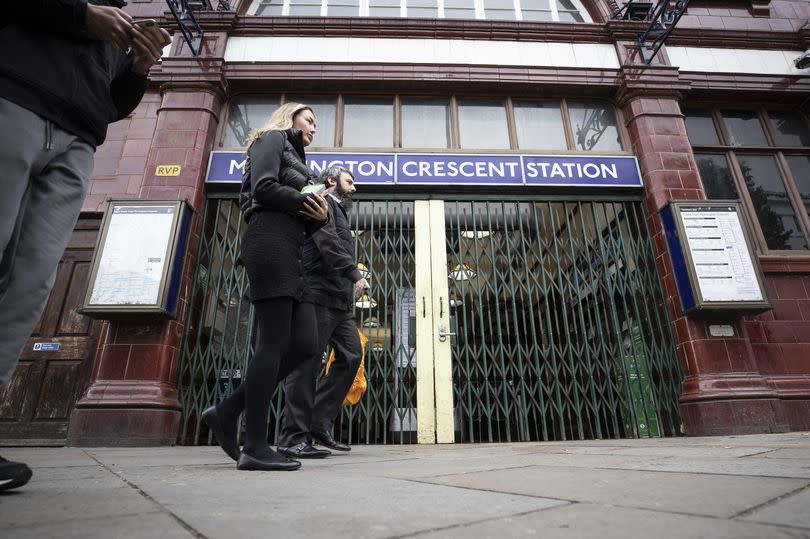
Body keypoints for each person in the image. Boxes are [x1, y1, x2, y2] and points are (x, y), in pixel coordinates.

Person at [0, 1, 170, 492]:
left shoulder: (122, 16)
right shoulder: (94, 13)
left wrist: (138, 67)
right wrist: (81, 16)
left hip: (79, 139)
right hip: (13, 98)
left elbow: (115, 102)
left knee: (31, 283)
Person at [202, 103, 363, 471]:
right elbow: (262, 187)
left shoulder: (301, 163)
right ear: (289, 118)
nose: (314, 127)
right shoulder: (270, 139)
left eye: (316, 123)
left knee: (306, 345)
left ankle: (228, 409)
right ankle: (255, 445)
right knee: (273, 344)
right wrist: (308, 201)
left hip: (293, 251)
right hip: (268, 241)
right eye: (309, 120)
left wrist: (317, 214)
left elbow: (305, 216)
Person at [277, 166, 367, 459]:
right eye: (349, 182)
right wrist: (355, 275)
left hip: (339, 301)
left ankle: (318, 422)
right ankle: (292, 437)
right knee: (308, 362)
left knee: (352, 355)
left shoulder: (339, 210)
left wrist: (348, 283)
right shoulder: (322, 201)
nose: (354, 188)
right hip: (317, 295)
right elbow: (327, 243)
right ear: (332, 181)